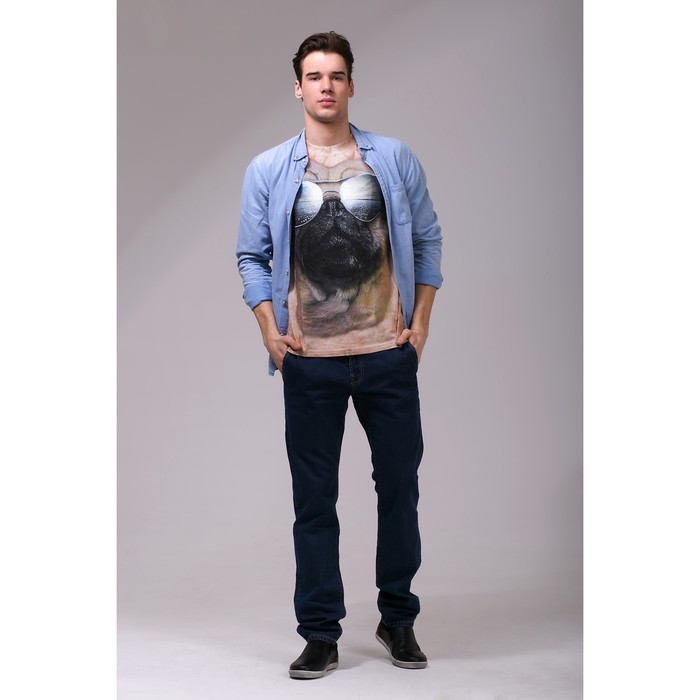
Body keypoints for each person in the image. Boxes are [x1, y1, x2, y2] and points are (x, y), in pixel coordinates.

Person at [236, 31, 443, 679]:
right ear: (298, 88)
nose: (325, 86)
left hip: (387, 354)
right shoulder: (269, 169)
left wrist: (420, 325)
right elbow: (251, 256)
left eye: (336, 75)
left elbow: (428, 240)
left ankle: (398, 617)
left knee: (400, 489)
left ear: (351, 84)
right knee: (314, 501)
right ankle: (321, 633)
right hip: (309, 360)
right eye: (314, 76)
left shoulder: (394, 158)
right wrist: (269, 331)